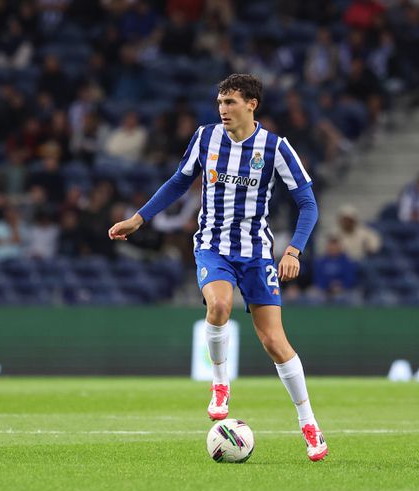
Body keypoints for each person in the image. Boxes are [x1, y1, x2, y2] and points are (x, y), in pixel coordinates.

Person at [108, 73, 327, 462]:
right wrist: (139, 219)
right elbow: (179, 181)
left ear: (251, 104)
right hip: (213, 246)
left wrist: (293, 250)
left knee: (275, 343)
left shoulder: (275, 147)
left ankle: (308, 423)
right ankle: (220, 383)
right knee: (219, 306)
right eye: (220, 102)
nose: (222, 109)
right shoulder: (205, 137)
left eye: (230, 102)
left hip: (257, 253)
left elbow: (307, 202)